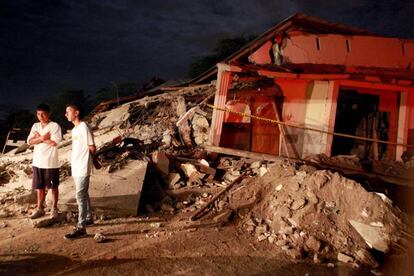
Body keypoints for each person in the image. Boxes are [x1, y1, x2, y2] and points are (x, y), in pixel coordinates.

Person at [64, 103, 96, 240]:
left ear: (76, 113)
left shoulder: (84, 127)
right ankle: (88, 217)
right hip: (76, 167)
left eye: (68, 112)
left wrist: (88, 160)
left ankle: (81, 227)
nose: (66, 114)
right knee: (83, 194)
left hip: (82, 166)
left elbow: (92, 147)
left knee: (80, 196)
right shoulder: (74, 129)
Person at [27, 103, 62, 219]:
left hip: (51, 162)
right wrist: (43, 138)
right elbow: (29, 141)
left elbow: (54, 143)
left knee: (53, 187)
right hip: (38, 161)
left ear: (49, 114)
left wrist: (39, 139)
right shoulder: (35, 126)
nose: (40, 116)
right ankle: (40, 208)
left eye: (43, 114)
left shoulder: (54, 126)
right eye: (38, 114)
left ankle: (54, 208)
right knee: (39, 187)